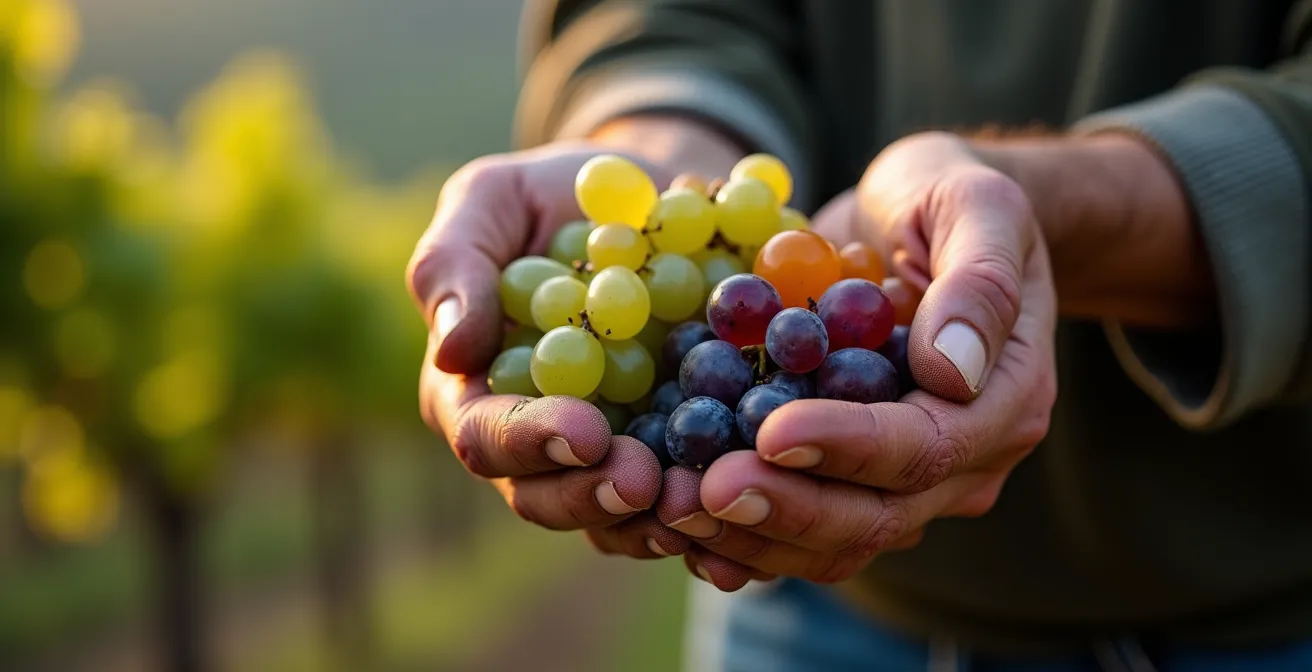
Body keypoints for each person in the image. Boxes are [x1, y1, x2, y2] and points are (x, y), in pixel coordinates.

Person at [407, 1, 1312, 669]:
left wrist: (1053, 208)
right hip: (810, 620)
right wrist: (664, 135)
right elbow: (672, 18)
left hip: (1263, 624)